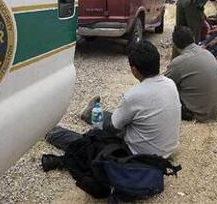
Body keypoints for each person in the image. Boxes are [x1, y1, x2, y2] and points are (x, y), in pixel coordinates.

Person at [45, 41, 181, 159]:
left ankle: (50, 132)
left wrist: (97, 131)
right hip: (165, 152)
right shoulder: (170, 83)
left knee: (88, 142)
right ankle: (90, 114)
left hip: (137, 155)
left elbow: (112, 128)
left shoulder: (134, 95)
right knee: (122, 117)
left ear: (134, 70)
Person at [166, 26, 217, 122]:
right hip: (214, 111)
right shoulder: (207, 53)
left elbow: (163, 86)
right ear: (192, 39)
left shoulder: (179, 62)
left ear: (175, 44)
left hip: (195, 114)